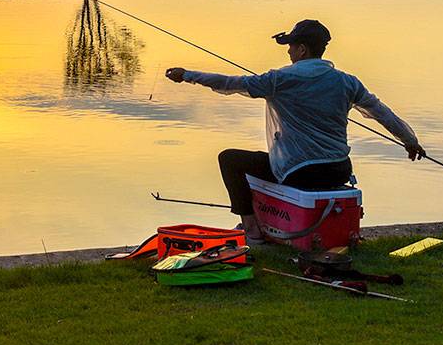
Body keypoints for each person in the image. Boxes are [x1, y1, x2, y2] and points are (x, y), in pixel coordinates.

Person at [164, 19, 425, 243]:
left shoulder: (280, 80)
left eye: (291, 46)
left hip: (300, 172)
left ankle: (252, 230)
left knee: (229, 159)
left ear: (302, 49)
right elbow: (381, 112)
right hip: (339, 168)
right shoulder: (347, 81)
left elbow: (231, 83)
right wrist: (409, 140)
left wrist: (187, 75)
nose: (288, 52)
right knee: (260, 160)